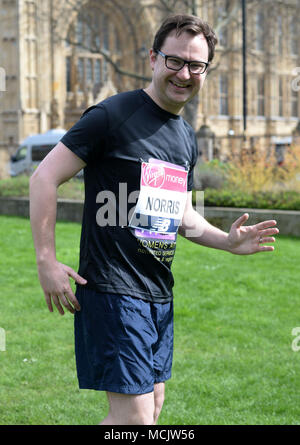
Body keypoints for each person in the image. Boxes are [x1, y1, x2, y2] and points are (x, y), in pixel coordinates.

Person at [29, 14, 279, 425]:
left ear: (205, 70)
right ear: (152, 58)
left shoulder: (184, 136)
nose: (184, 73)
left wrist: (228, 241)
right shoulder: (111, 115)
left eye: (195, 65)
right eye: (174, 60)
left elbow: (181, 215)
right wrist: (46, 261)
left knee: (153, 407)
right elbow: (44, 177)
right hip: (113, 290)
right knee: (136, 421)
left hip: (158, 293)